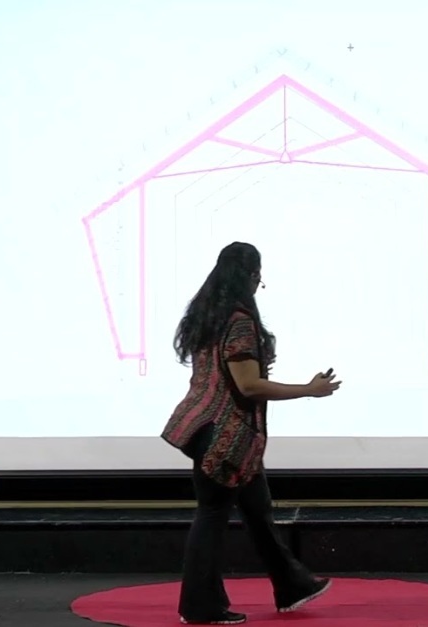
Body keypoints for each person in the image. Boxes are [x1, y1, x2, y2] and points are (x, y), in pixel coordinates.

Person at [161, 242, 341, 625]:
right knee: (212, 515)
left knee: (258, 512)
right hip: (226, 438)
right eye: (258, 274)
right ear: (251, 276)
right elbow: (249, 386)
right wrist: (309, 390)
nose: (260, 281)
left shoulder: (209, 316)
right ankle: (201, 607)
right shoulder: (239, 321)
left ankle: (293, 584)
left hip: (218, 433)